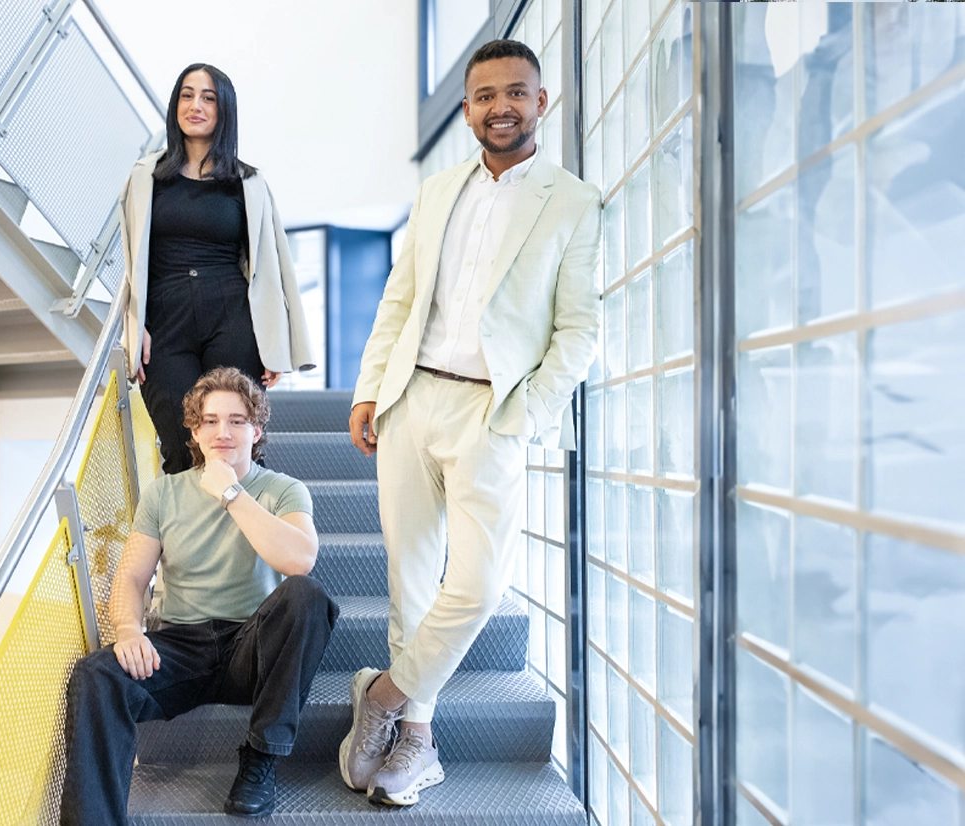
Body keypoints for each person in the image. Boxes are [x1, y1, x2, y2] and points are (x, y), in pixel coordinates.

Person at [340, 40, 601, 806]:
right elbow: (400, 298)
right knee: (409, 581)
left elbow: (579, 331)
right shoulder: (437, 192)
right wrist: (368, 388)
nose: (501, 107)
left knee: (480, 584)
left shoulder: (573, 200)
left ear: (541, 102)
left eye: (516, 92)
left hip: (493, 409)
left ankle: (383, 697)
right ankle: (415, 741)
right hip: (412, 397)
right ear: (467, 109)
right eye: (485, 95)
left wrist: (522, 414)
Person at [60, 367, 338, 824]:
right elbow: (132, 578)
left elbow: (299, 560)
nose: (222, 431)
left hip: (252, 648)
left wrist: (231, 492)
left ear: (257, 429)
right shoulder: (163, 493)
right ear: (193, 429)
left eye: (236, 420)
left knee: (306, 597)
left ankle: (261, 758)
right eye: (209, 420)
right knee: (97, 674)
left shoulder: (283, 489)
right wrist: (129, 631)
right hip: (179, 647)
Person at [119, 63, 314, 474]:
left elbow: (273, 265)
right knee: (180, 441)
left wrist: (273, 339)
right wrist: (137, 328)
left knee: (235, 442)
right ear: (176, 106)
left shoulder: (248, 183)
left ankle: (243, 535)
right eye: (187, 95)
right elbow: (131, 266)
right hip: (166, 318)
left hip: (232, 316)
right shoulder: (146, 178)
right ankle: (186, 538)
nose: (196, 105)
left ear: (224, 109)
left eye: (208, 97)